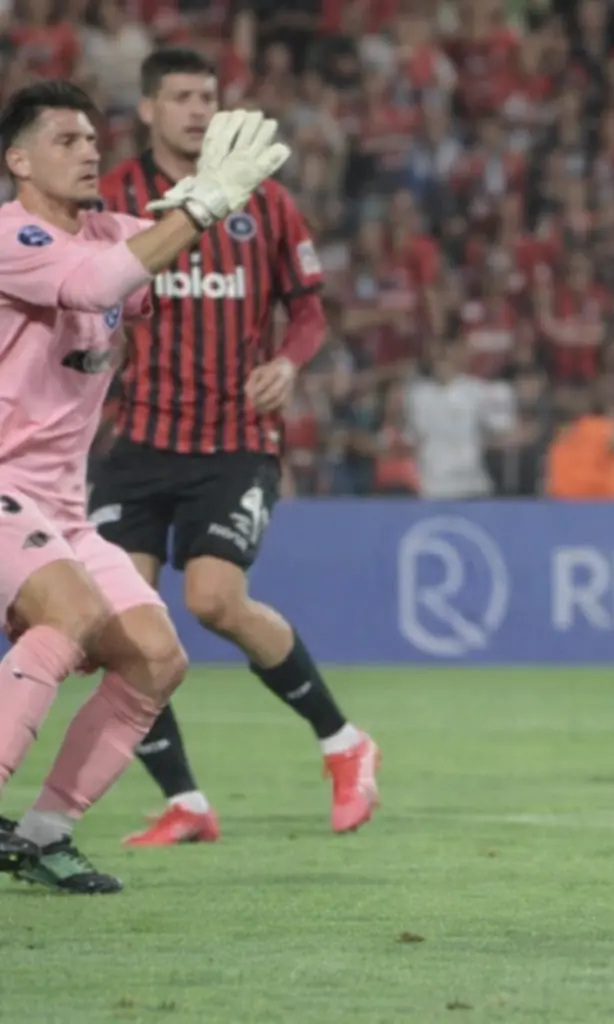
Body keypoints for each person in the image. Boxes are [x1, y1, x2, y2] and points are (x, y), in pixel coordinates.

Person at [0, 83, 290, 892]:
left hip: (58, 501)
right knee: (72, 615)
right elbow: (97, 286)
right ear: (17, 161)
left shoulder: (108, 232)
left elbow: (151, 264)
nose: (90, 150)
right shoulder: (10, 237)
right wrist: (194, 210)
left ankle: (45, 833)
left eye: (93, 138)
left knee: (158, 660)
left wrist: (206, 203)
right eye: (66, 140)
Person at [92, 48, 380, 846]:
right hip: (139, 441)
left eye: (208, 97)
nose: (197, 110)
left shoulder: (269, 203)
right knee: (122, 623)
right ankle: (185, 800)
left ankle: (345, 743)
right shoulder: (113, 196)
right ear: (147, 108)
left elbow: (311, 309)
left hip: (234, 442)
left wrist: (289, 363)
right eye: (180, 97)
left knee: (213, 600)